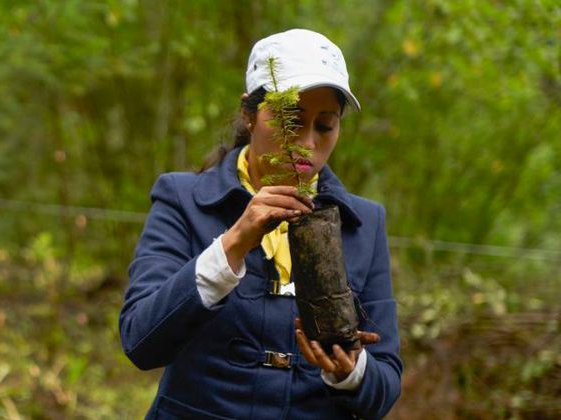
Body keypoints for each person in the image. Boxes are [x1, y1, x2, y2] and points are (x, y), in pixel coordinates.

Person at [119, 28, 402, 420]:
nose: (306, 143)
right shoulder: (183, 199)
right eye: (290, 120)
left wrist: (350, 372)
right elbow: (140, 341)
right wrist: (234, 242)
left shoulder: (364, 223)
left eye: (324, 126)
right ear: (248, 114)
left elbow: (384, 387)